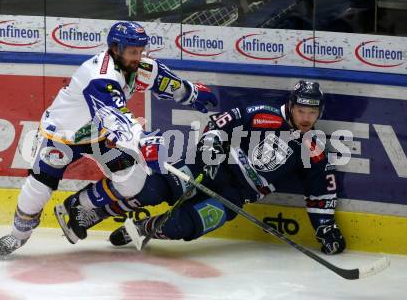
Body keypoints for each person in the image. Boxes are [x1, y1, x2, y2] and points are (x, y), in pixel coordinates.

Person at [0, 21, 218, 257]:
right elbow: (113, 115)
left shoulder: (141, 67)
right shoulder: (99, 75)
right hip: (62, 136)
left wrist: (191, 93)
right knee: (39, 187)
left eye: (141, 51)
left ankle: (80, 205)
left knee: (132, 181)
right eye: (132, 52)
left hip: (100, 138)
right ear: (115, 49)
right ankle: (17, 236)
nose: (138, 57)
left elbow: (165, 81)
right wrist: (142, 140)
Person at [108, 80, 346, 255]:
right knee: (156, 189)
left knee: (178, 226)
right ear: (291, 105)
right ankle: (101, 205)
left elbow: (321, 191)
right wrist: (211, 145)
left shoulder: (313, 147)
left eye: (312, 113)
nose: (306, 118)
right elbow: (218, 123)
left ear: (319, 112)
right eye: (301, 111)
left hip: (234, 197)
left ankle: (141, 228)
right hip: (211, 168)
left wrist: (325, 228)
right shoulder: (264, 116)